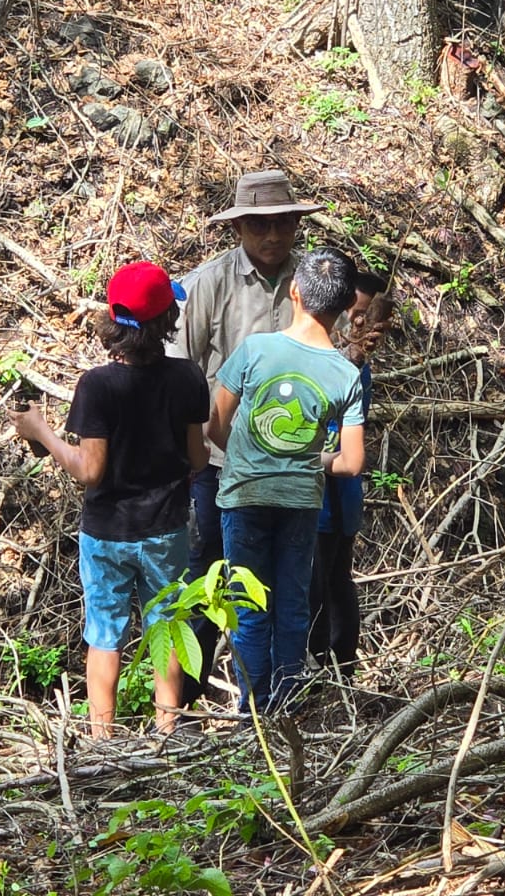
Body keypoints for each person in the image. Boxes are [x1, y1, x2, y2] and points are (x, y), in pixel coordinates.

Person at [9, 262, 210, 737]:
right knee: (167, 627)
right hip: (167, 528)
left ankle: (102, 737)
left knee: (104, 632)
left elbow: (89, 470)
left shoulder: (97, 386)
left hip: (107, 532)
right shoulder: (187, 377)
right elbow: (198, 459)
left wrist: (41, 432)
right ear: (167, 322)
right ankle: (167, 730)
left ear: (113, 319)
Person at [170, 170, 320, 708]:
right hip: (217, 463)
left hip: (295, 466)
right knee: (205, 580)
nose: (273, 236)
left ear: (297, 224)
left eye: (283, 223)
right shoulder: (209, 285)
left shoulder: (312, 283)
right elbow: (182, 375)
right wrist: (187, 456)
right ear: (239, 227)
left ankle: (280, 701)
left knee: (289, 583)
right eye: (260, 224)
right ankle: (181, 705)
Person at [209, 248, 366, 712]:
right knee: (292, 605)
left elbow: (216, 426)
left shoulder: (255, 350)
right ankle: (285, 709)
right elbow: (351, 462)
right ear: (344, 307)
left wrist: (250, 449)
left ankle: (252, 715)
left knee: (249, 607)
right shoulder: (345, 373)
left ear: (294, 292)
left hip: (244, 495)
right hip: (300, 504)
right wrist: (312, 459)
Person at [309, 273, 393, 681]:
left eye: (364, 316)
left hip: (336, 499)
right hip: (318, 497)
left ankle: (337, 667)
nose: (355, 324)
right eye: (349, 314)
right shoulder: (319, 358)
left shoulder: (355, 369)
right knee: (318, 584)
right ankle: (321, 665)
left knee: (331, 582)